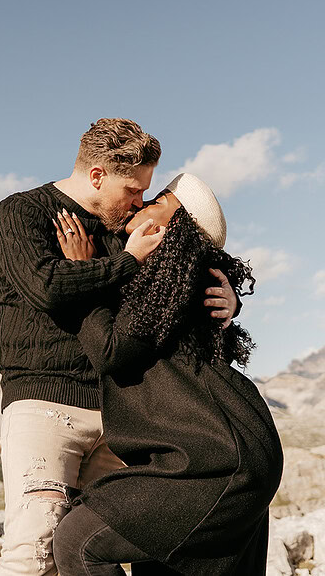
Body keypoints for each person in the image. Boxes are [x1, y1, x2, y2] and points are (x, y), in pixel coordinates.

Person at [0, 120, 240, 575]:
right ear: (98, 175)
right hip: (44, 406)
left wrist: (227, 300)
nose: (140, 200)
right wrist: (126, 262)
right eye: (133, 188)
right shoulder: (21, 212)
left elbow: (165, 299)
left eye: (147, 191)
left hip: (120, 418)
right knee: (36, 546)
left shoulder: (127, 228)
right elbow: (47, 287)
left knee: (107, 547)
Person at [52, 173, 284, 576]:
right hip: (219, 450)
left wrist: (82, 273)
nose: (142, 204)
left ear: (174, 227)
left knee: (78, 541)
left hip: (217, 458)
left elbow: (113, 352)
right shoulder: (162, 276)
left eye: (158, 201)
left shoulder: (173, 275)